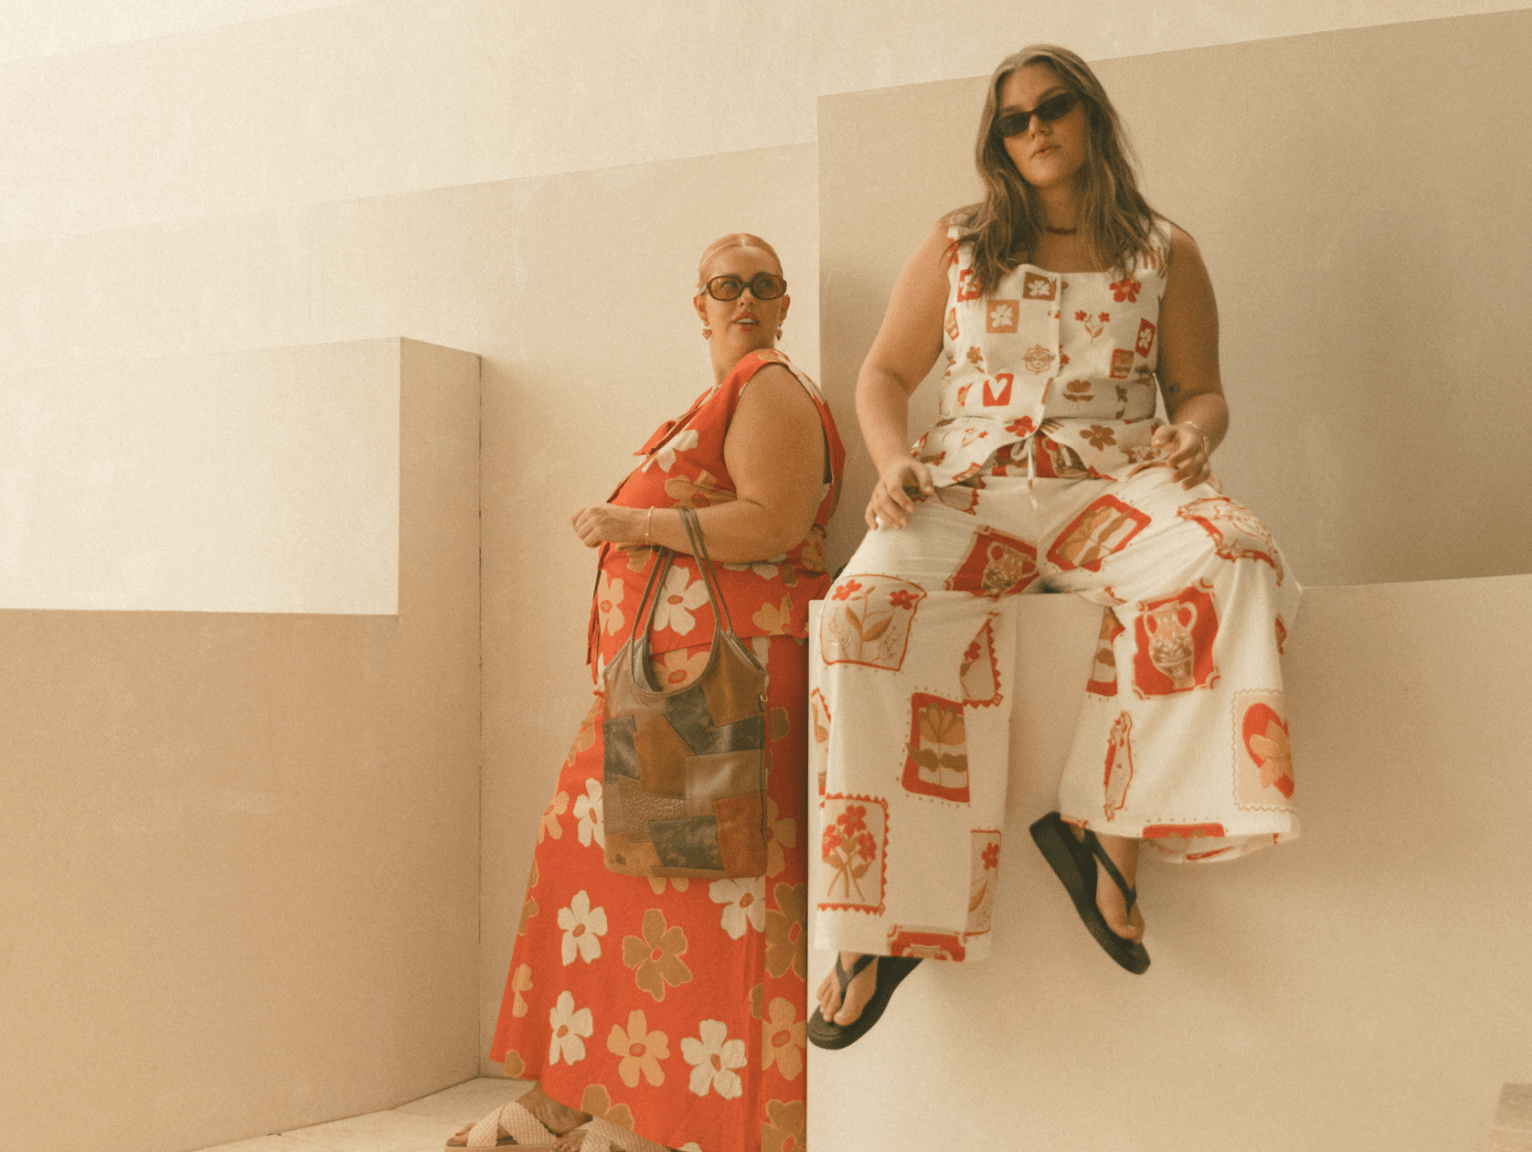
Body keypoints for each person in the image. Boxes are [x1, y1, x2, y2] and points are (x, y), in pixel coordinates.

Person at [808, 45, 1300, 1047]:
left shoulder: (1163, 250)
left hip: (1110, 487)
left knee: (1234, 554)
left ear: (1090, 116)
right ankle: (879, 925)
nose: (1033, 128)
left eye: (1052, 107)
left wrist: (1192, 435)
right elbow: (883, 373)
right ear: (996, 141)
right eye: (1012, 119)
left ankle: (1103, 828)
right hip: (969, 487)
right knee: (857, 615)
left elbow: (1201, 389)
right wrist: (893, 461)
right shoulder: (959, 243)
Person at [451, 234, 843, 1151]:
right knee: (641, 889)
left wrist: (635, 522)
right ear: (698, 305)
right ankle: (598, 1102)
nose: (744, 299)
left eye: (763, 284)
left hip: (720, 689)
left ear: (785, 303)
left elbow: (774, 520)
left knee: (698, 898)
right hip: (678, 690)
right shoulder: (727, 394)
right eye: (725, 285)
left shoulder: (768, 385)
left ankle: (656, 1117)